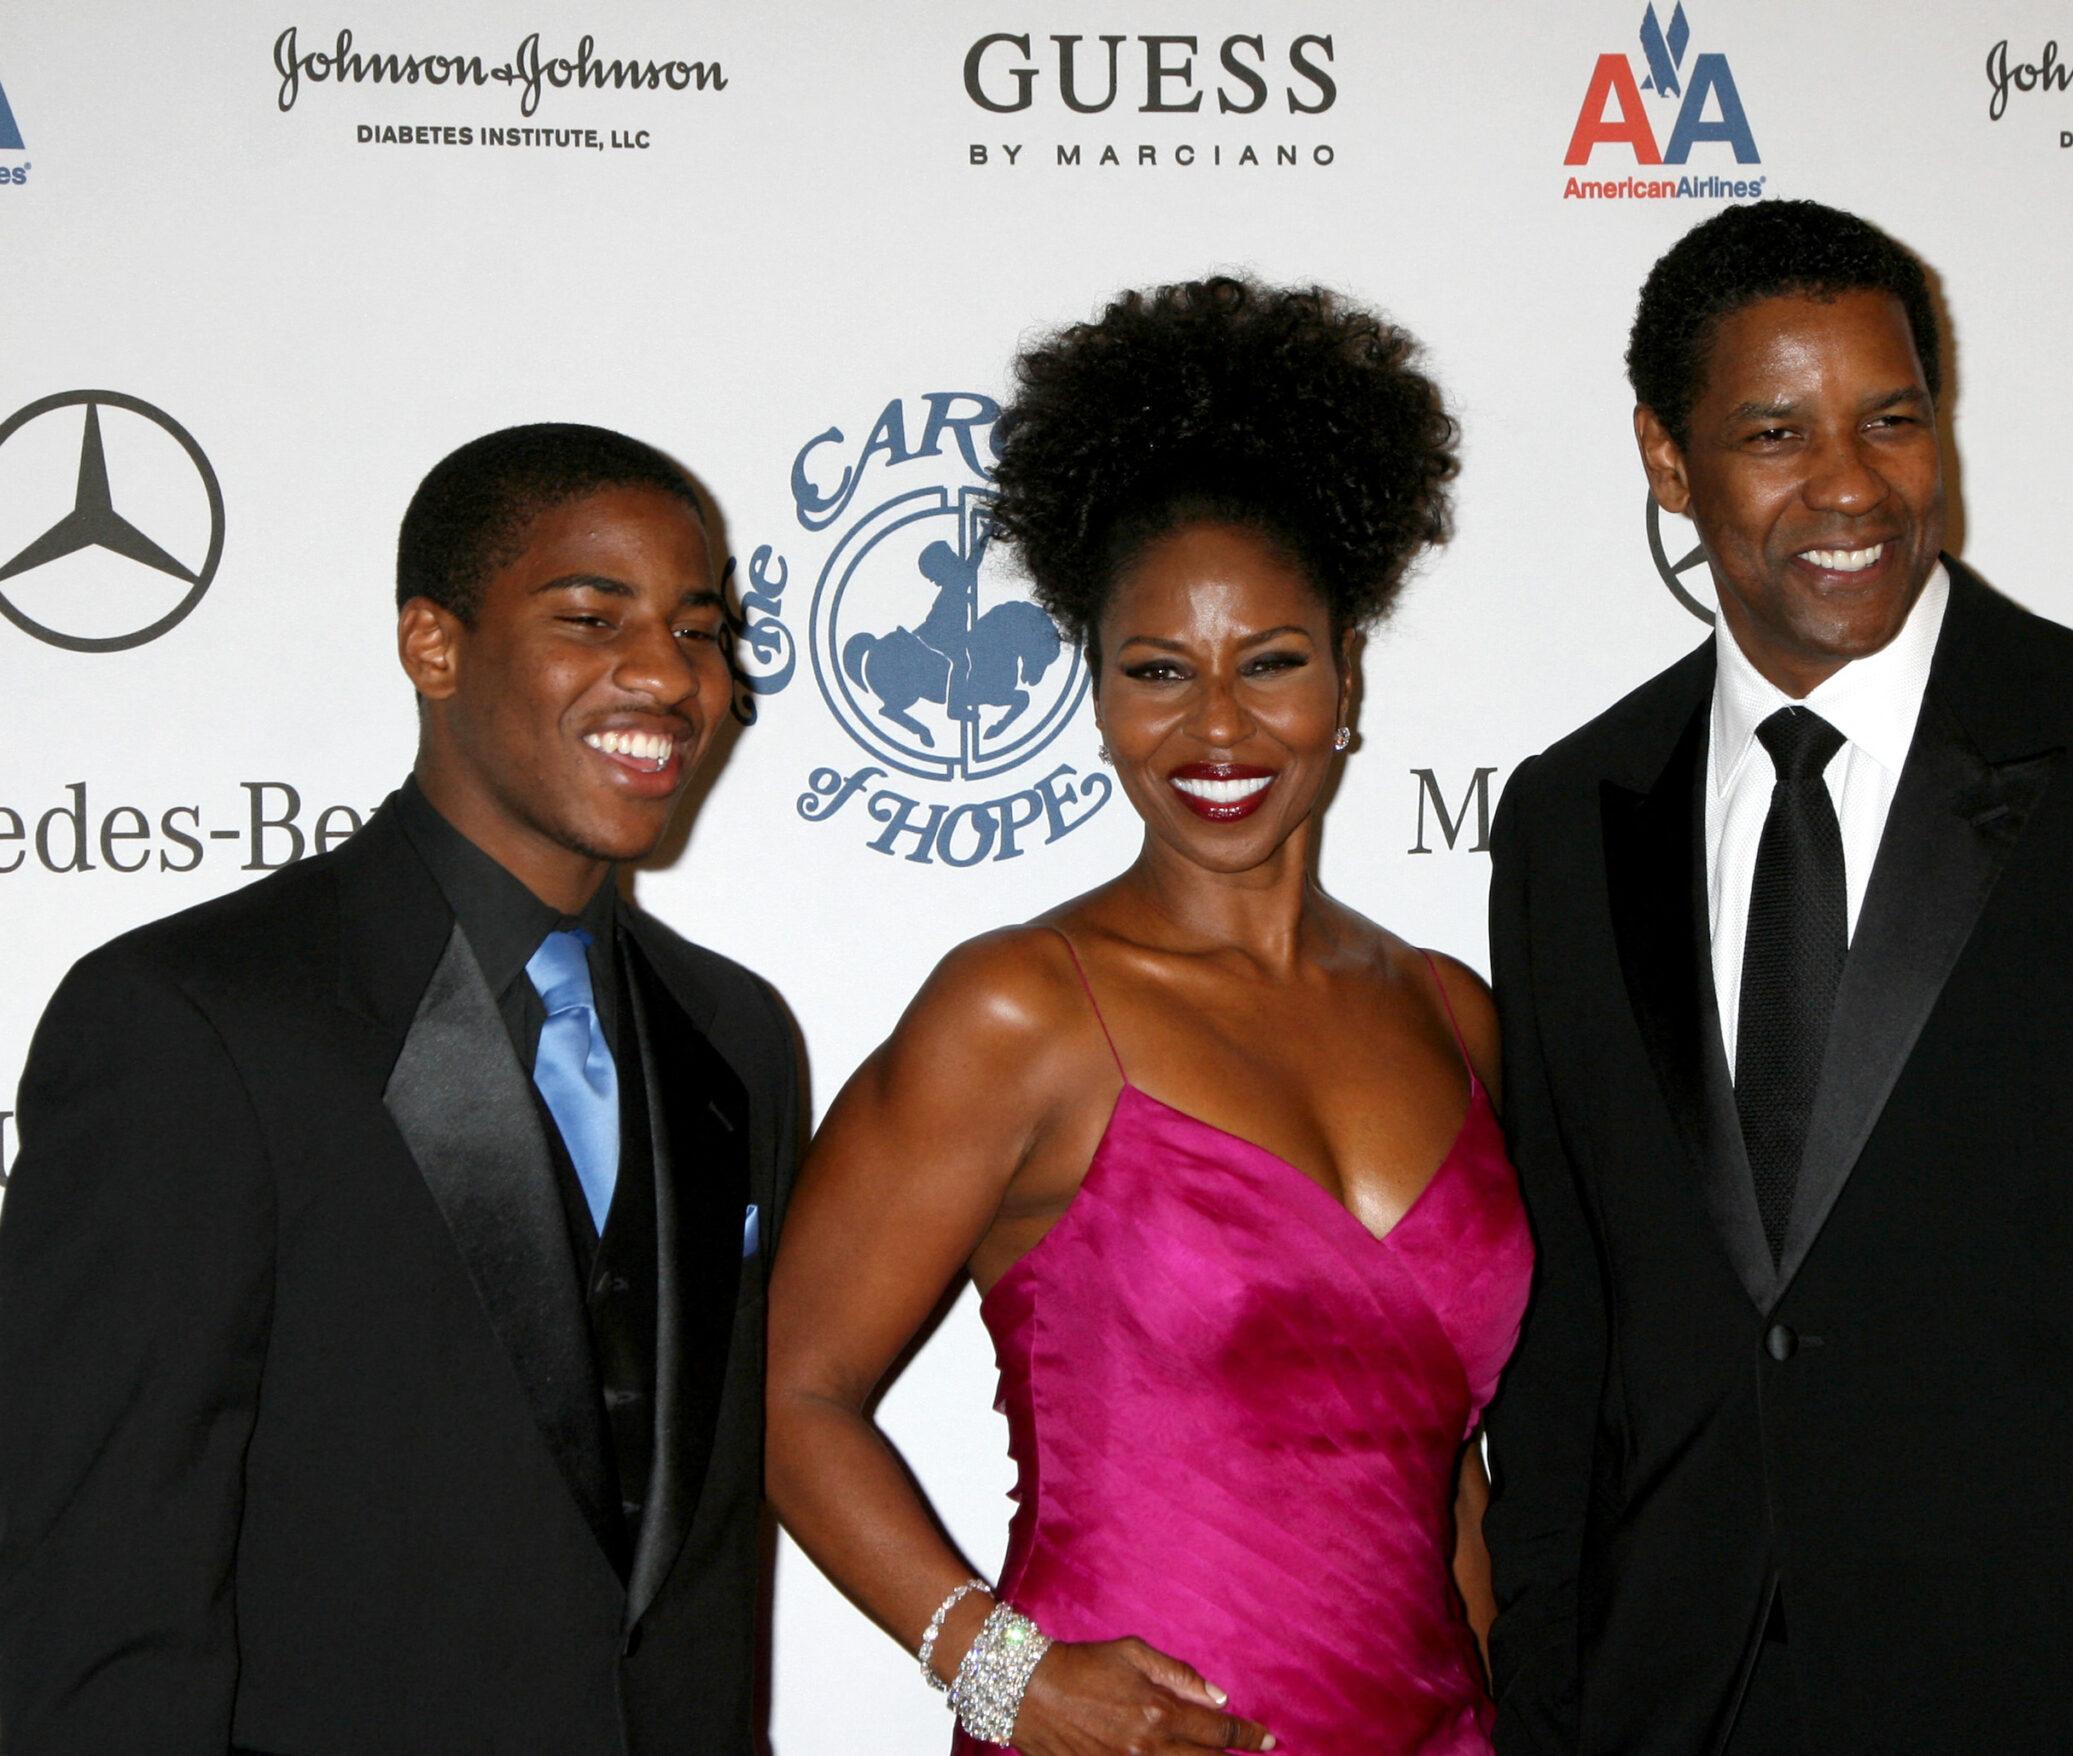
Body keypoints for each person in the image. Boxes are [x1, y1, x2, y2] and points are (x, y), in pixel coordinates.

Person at [1481, 200, 2073, 1754]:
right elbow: (1568, 1341)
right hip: (1680, 1706)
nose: (1850, 485)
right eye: (1775, 431)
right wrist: (1553, 1715)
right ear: (1666, 458)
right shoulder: (1571, 817)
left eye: (1892, 419)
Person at [768, 276, 1527, 1755]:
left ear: (1348, 677)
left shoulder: (1452, 1013)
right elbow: (791, 1395)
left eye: (1274, 664)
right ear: (1098, 693)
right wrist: (1002, 1672)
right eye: (1159, 672)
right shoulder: (1021, 1011)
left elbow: (1449, 1482)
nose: (1219, 729)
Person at [0, 424, 802, 1754]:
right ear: (435, 645)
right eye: (592, 617)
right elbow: (90, 1589)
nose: (667, 674)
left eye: (699, 629)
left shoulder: (736, 1037)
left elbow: (695, 1565)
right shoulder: (194, 1019)